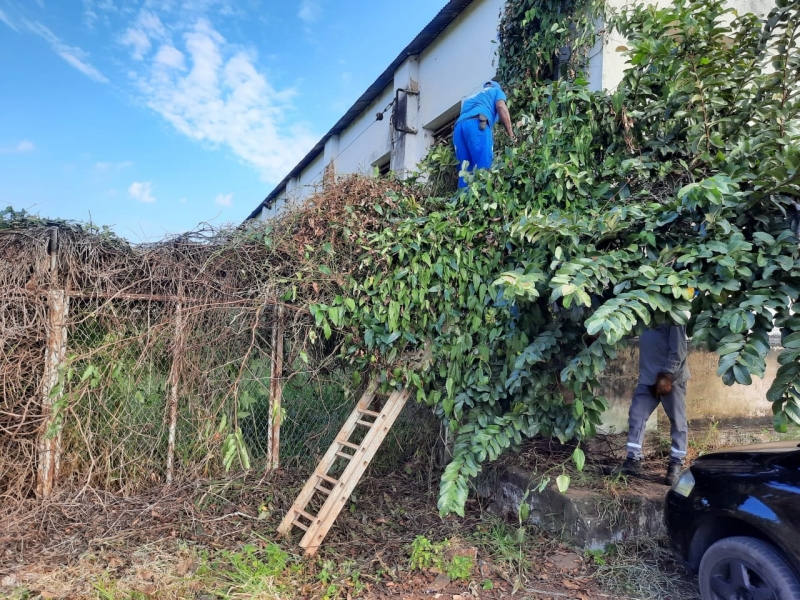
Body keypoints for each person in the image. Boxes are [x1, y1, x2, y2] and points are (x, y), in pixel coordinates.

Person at [608, 324, 690, 486]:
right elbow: (626, 330)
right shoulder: (644, 313)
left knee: (677, 420)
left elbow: (678, 350)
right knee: (636, 416)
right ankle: (633, 461)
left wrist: (667, 374)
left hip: (671, 379)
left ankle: (676, 464)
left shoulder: (673, 316)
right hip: (648, 377)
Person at [453, 80, 514, 188]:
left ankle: (463, 201)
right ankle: (482, 196)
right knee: (483, 162)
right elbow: (500, 106)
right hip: (477, 124)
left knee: (465, 169)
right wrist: (511, 134)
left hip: (458, 129)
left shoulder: (471, 98)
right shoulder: (496, 91)